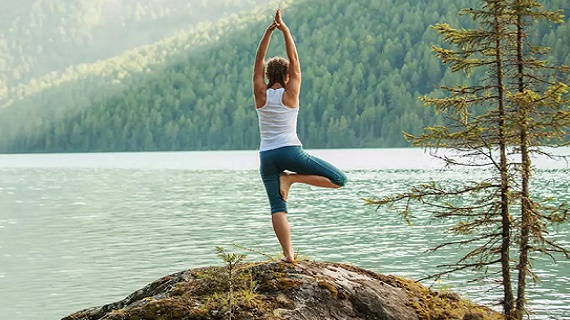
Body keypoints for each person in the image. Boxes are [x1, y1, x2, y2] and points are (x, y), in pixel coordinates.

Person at [253, 9, 347, 263]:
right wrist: (284, 30)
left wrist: (266, 33)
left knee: (277, 207)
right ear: (286, 76)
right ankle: (292, 180)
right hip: (290, 151)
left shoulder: (260, 94)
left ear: (266, 76)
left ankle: (288, 255)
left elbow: (258, 62)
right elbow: (294, 59)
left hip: (267, 156)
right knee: (339, 179)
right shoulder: (290, 94)